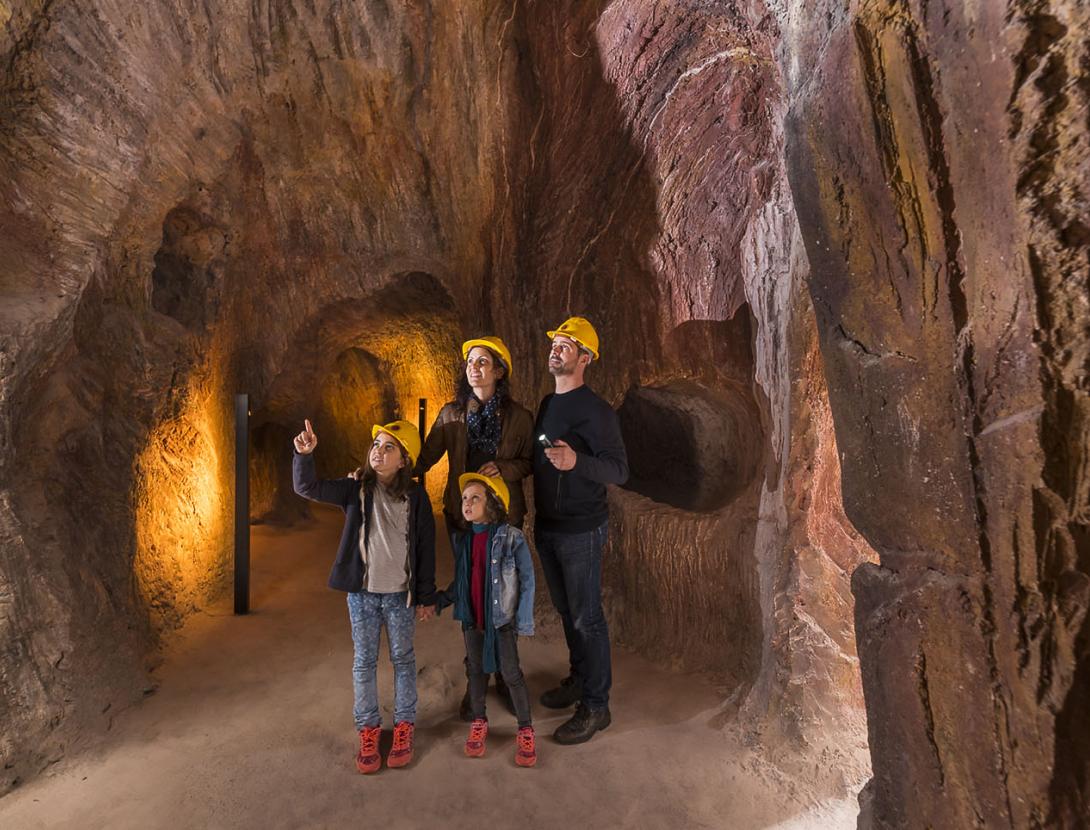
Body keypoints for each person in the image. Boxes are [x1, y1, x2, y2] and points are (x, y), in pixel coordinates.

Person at [292, 418, 437, 774]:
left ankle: (404, 726)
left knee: (403, 660)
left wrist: (426, 595)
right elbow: (307, 486)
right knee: (364, 662)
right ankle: (368, 729)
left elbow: (425, 547)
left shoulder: (416, 497)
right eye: (376, 445)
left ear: (404, 460)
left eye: (389, 448)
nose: (379, 452)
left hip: (400, 596)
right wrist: (305, 455)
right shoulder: (355, 488)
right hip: (363, 596)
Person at [415, 336, 534, 719]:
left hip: (503, 522)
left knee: (503, 600)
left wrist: (505, 468)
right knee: (472, 600)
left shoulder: (519, 417)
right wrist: (382, 469)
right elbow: (425, 457)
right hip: (463, 519)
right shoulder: (452, 414)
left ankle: (505, 675)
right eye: (470, 362)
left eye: (483, 362)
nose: (474, 368)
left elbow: (529, 462)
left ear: (499, 371)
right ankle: (476, 681)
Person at [532, 317, 628, 745]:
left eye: (566, 346)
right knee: (567, 611)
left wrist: (577, 463)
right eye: (555, 343)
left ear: (585, 358)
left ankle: (596, 706)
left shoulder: (597, 411)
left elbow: (619, 470)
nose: (556, 350)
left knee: (587, 618)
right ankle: (579, 679)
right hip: (548, 525)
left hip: (581, 530)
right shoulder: (547, 404)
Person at [438, 473, 537, 767]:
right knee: (476, 672)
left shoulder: (511, 538)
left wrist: (523, 618)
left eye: (475, 498)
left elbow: (527, 579)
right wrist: (438, 601)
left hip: (501, 621)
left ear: (492, 503)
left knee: (511, 673)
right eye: (464, 498)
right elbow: (462, 583)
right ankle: (479, 721)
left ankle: (525, 728)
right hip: (473, 620)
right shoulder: (465, 541)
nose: (467, 503)